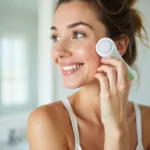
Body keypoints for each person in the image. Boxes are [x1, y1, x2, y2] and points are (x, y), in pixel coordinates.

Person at [27, 0, 150, 149]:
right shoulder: (47, 122)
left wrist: (116, 125)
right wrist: (115, 130)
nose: (58, 52)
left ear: (118, 46)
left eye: (77, 34)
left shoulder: (147, 121)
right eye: (55, 37)